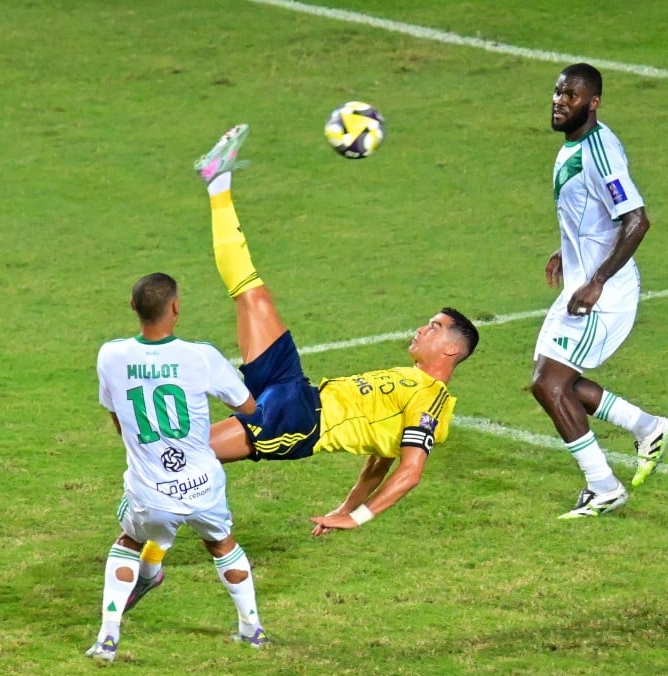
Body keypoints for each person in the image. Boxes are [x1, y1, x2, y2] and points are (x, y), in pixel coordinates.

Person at [193, 124, 480, 536]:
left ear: (451, 350)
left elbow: (410, 470)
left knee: (187, 452)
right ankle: (217, 180)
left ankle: (141, 541)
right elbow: (379, 460)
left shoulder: (431, 399)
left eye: (434, 328)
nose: (421, 329)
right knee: (252, 294)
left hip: (297, 421)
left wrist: (355, 517)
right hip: (297, 389)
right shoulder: (409, 381)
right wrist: (346, 503)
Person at [85, 272, 268, 662]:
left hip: (150, 492)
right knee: (221, 543)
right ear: (175, 307)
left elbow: (119, 419)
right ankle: (252, 629)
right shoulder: (201, 356)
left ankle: (107, 638)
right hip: (202, 485)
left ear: (133, 307)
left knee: (129, 542)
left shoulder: (110, 355)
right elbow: (249, 408)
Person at [531, 63, 668, 519]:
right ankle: (648, 427)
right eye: (558, 92)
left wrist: (597, 280)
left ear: (592, 103)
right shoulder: (576, 144)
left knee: (549, 383)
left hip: (603, 295)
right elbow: (593, 212)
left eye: (571, 96)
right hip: (582, 282)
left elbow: (637, 220)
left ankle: (604, 487)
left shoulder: (598, 153)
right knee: (555, 381)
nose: (560, 102)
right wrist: (567, 249)